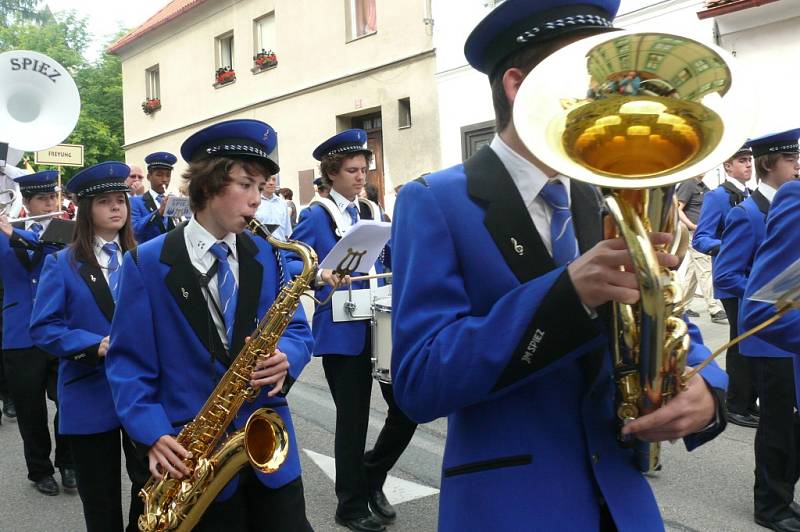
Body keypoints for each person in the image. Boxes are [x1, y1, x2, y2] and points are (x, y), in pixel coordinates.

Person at [389, 1, 728, 530]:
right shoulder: (434, 200)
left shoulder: (609, 194)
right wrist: (563, 297)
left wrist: (707, 388)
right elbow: (418, 382)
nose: (619, 100)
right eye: (594, 83)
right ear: (518, 85)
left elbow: (662, 314)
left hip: (624, 501)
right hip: (511, 503)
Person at [105, 119, 314, 532]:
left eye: (262, 186)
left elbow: (297, 332)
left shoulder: (266, 254)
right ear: (208, 184)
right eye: (247, 184)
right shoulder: (144, 264)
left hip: (268, 449)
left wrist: (286, 356)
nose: (257, 199)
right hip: (190, 456)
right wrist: (153, 433)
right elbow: (128, 365)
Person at [292, 129, 417, 532]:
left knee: (406, 408)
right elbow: (294, 263)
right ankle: (350, 504)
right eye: (352, 170)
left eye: (364, 168)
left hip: (382, 322)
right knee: (353, 419)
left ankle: (372, 474)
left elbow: (395, 258)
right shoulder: (315, 214)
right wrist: (321, 274)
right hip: (343, 330)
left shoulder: (373, 211)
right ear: (332, 173)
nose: (361, 176)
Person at [29, 161, 149, 532]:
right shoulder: (61, 263)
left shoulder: (146, 257)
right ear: (86, 210)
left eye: (121, 200)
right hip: (88, 391)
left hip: (142, 393)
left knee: (150, 489)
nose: (116, 207)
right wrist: (94, 345)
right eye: (105, 202)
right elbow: (45, 327)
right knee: (100, 499)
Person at [737, 128, 800, 532]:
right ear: (769, 164)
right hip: (773, 337)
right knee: (780, 428)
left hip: (786, 327)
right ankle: (772, 505)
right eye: (792, 160)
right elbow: (740, 281)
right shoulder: (744, 209)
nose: (798, 166)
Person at [0, 170, 75, 496]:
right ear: (27, 204)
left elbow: (51, 252)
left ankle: (68, 462)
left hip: (60, 329)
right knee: (30, 410)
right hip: (19, 334)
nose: (50, 203)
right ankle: (39, 470)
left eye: (52, 197)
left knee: (68, 401)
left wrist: (14, 235)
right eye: (43, 199)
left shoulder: (66, 230)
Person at [692, 145, 757, 427]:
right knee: (740, 340)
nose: (749, 165)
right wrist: (730, 246)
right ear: (728, 166)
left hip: (752, 277)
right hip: (732, 280)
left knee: (752, 339)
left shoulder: (751, 196)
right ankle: (735, 404)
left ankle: (747, 400)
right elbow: (701, 238)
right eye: (742, 160)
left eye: (750, 161)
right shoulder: (716, 197)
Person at [676, 175, 727, 323]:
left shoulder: (703, 186)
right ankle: (714, 308)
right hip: (694, 234)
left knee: (693, 272)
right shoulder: (688, 183)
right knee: (705, 268)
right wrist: (692, 227)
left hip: (703, 233)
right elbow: (677, 209)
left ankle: (682, 305)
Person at [131, 151, 178, 243]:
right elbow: (135, 231)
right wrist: (159, 212)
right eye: (159, 175)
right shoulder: (135, 201)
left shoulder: (173, 200)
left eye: (168, 175)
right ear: (149, 177)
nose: (165, 180)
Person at [254, 174, 292, 241]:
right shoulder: (254, 202)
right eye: (268, 180)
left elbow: (287, 232)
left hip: (281, 247)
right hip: (261, 247)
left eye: (274, 180)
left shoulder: (282, 203)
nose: (271, 183)